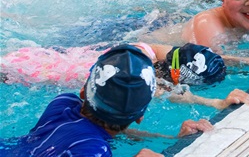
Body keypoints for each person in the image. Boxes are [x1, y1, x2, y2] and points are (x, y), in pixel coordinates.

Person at [1, 44, 213, 156]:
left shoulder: (62, 104)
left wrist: (173, 140)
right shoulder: (95, 150)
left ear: (84, 91)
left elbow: (102, 131)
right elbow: (102, 136)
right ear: (140, 116)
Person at [1, 42, 249, 110]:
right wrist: (215, 103)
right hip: (22, 76)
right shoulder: (135, 79)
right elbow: (176, 96)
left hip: (28, 57)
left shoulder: (143, 50)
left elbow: (181, 57)